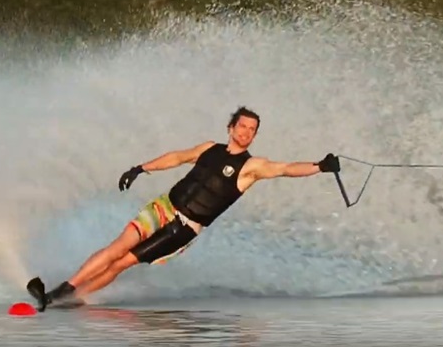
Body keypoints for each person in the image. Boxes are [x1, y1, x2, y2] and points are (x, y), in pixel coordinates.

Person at [26, 106, 341, 311]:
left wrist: (319, 166)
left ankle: (74, 298)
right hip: (164, 206)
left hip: (184, 228)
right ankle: (57, 293)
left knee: (122, 264)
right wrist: (140, 168)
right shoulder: (208, 148)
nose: (246, 132)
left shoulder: (252, 167)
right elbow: (176, 157)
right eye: (242, 126)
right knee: (116, 248)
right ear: (231, 127)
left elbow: (286, 168)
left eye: (252, 130)